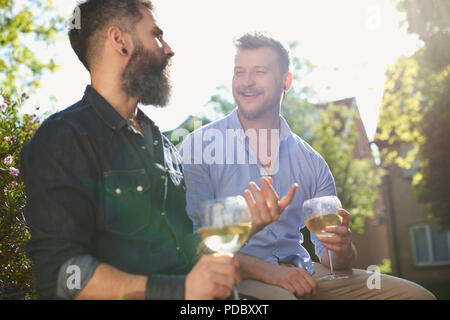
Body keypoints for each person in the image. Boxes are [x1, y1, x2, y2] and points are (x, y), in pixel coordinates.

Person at [20, 1, 297, 300]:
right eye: (156, 35)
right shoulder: (65, 136)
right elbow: (63, 275)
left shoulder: (162, 143)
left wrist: (246, 226)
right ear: (120, 41)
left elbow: (181, 251)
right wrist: (179, 291)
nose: (168, 48)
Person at [180, 33, 436, 300]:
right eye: (239, 72)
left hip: (306, 273)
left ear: (285, 81)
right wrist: (270, 272)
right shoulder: (199, 148)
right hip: (234, 277)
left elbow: (334, 259)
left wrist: (341, 247)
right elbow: (192, 247)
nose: (246, 82)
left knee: (416, 296)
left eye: (259, 71)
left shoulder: (310, 161)